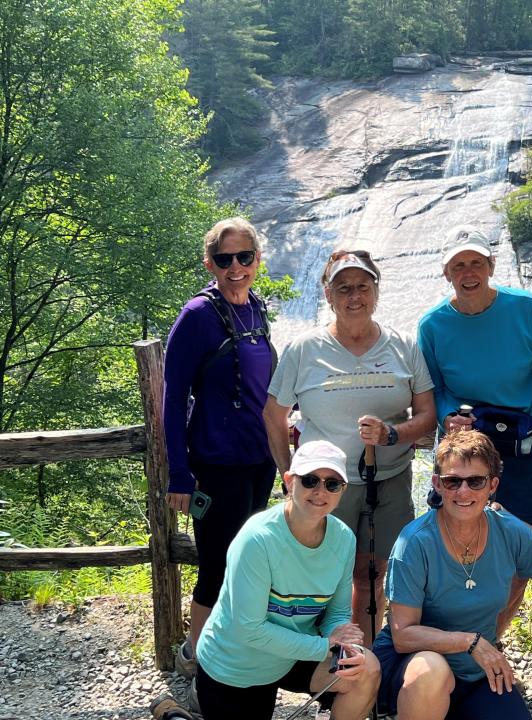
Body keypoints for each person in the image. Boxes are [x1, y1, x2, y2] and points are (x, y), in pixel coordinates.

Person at [372, 430, 532, 720]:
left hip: (475, 671)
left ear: (493, 485)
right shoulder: (414, 543)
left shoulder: (509, 531)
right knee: (433, 671)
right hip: (414, 666)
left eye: (476, 481)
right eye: (453, 481)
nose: (463, 492)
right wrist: (471, 642)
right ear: (437, 484)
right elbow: (403, 635)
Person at [264, 249, 435, 647]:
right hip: (324, 486)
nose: (354, 296)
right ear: (328, 296)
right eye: (343, 288)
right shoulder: (304, 349)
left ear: (376, 290)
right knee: (319, 574)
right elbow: (274, 416)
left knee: (373, 573)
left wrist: (391, 434)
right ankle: (311, 655)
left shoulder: (404, 345)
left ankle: (361, 659)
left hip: (389, 480)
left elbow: (427, 415)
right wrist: (292, 477)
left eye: (362, 286)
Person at [417, 225, 532, 635]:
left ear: (492, 265)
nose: (468, 272)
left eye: (476, 262)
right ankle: (454, 634)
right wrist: (446, 418)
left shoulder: (526, 308)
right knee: (454, 539)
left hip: (520, 442)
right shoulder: (433, 325)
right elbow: (433, 388)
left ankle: (493, 636)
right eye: (459, 265)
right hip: (463, 445)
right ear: (446, 273)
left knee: (520, 540)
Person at [162, 217, 276, 677]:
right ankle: (194, 659)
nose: (235, 267)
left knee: (249, 561)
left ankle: (232, 649)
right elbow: (172, 401)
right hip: (216, 462)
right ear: (210, 262)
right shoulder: (197, 317)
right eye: (225, 259)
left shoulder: (257, 308)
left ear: (256, 260)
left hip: (259, 460)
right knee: (215, 563)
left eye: (244, 257)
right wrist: (179, 473)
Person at [194, 440, 380, 720]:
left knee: (366, 669)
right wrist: (325, 644)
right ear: (289, 481)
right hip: (236, 667)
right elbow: (250, 629)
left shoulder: (343, 539)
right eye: (310, 480)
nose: (320, 491)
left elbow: (337, 611)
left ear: (343, 490)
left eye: (332, 484)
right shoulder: (257, 539)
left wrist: (344, 640)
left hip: (290, 656)